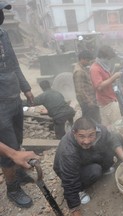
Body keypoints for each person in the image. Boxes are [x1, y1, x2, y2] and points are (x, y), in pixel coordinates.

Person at [53, 117, 123, 216]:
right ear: (74, 133)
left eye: (91, 135)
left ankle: (104, 169)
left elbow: (112, 139)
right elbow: (69, 182)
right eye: (81, 136)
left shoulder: (101, 130)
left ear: (96, 131)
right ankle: (80, 191)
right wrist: (75, 210)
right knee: (95, 170)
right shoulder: (68, 151)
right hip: (69, 170)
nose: (86, 141)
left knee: (109, 148)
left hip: (85, 156)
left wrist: (122, 156)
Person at [0, 1, 36, 208]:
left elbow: (13, 63)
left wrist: (25, 87)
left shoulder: (3, 34)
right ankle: (12, 187)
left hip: (14, 98)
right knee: (7, 149)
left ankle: (19, 172)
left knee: (18, 139)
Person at [90, 45, 122, 126]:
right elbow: (99, 86)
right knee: (115, 126)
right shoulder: (95, 69)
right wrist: (113, 77)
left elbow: (106, 81)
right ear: (103, 57)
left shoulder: (103, 66)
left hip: (110, 99)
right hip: (106, 102)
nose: (109, 60)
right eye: (108, 58)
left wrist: (113, 78)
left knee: (114, 126)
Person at [73, 50, 101, 124]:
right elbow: (80, 90)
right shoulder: (79, 72)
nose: (89, 62)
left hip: (89, 101)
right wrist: (89, 102)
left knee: (92, 121)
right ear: (82, 59)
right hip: (88, 103)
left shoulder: (82, 68)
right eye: (87, 60)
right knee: (91, 122)